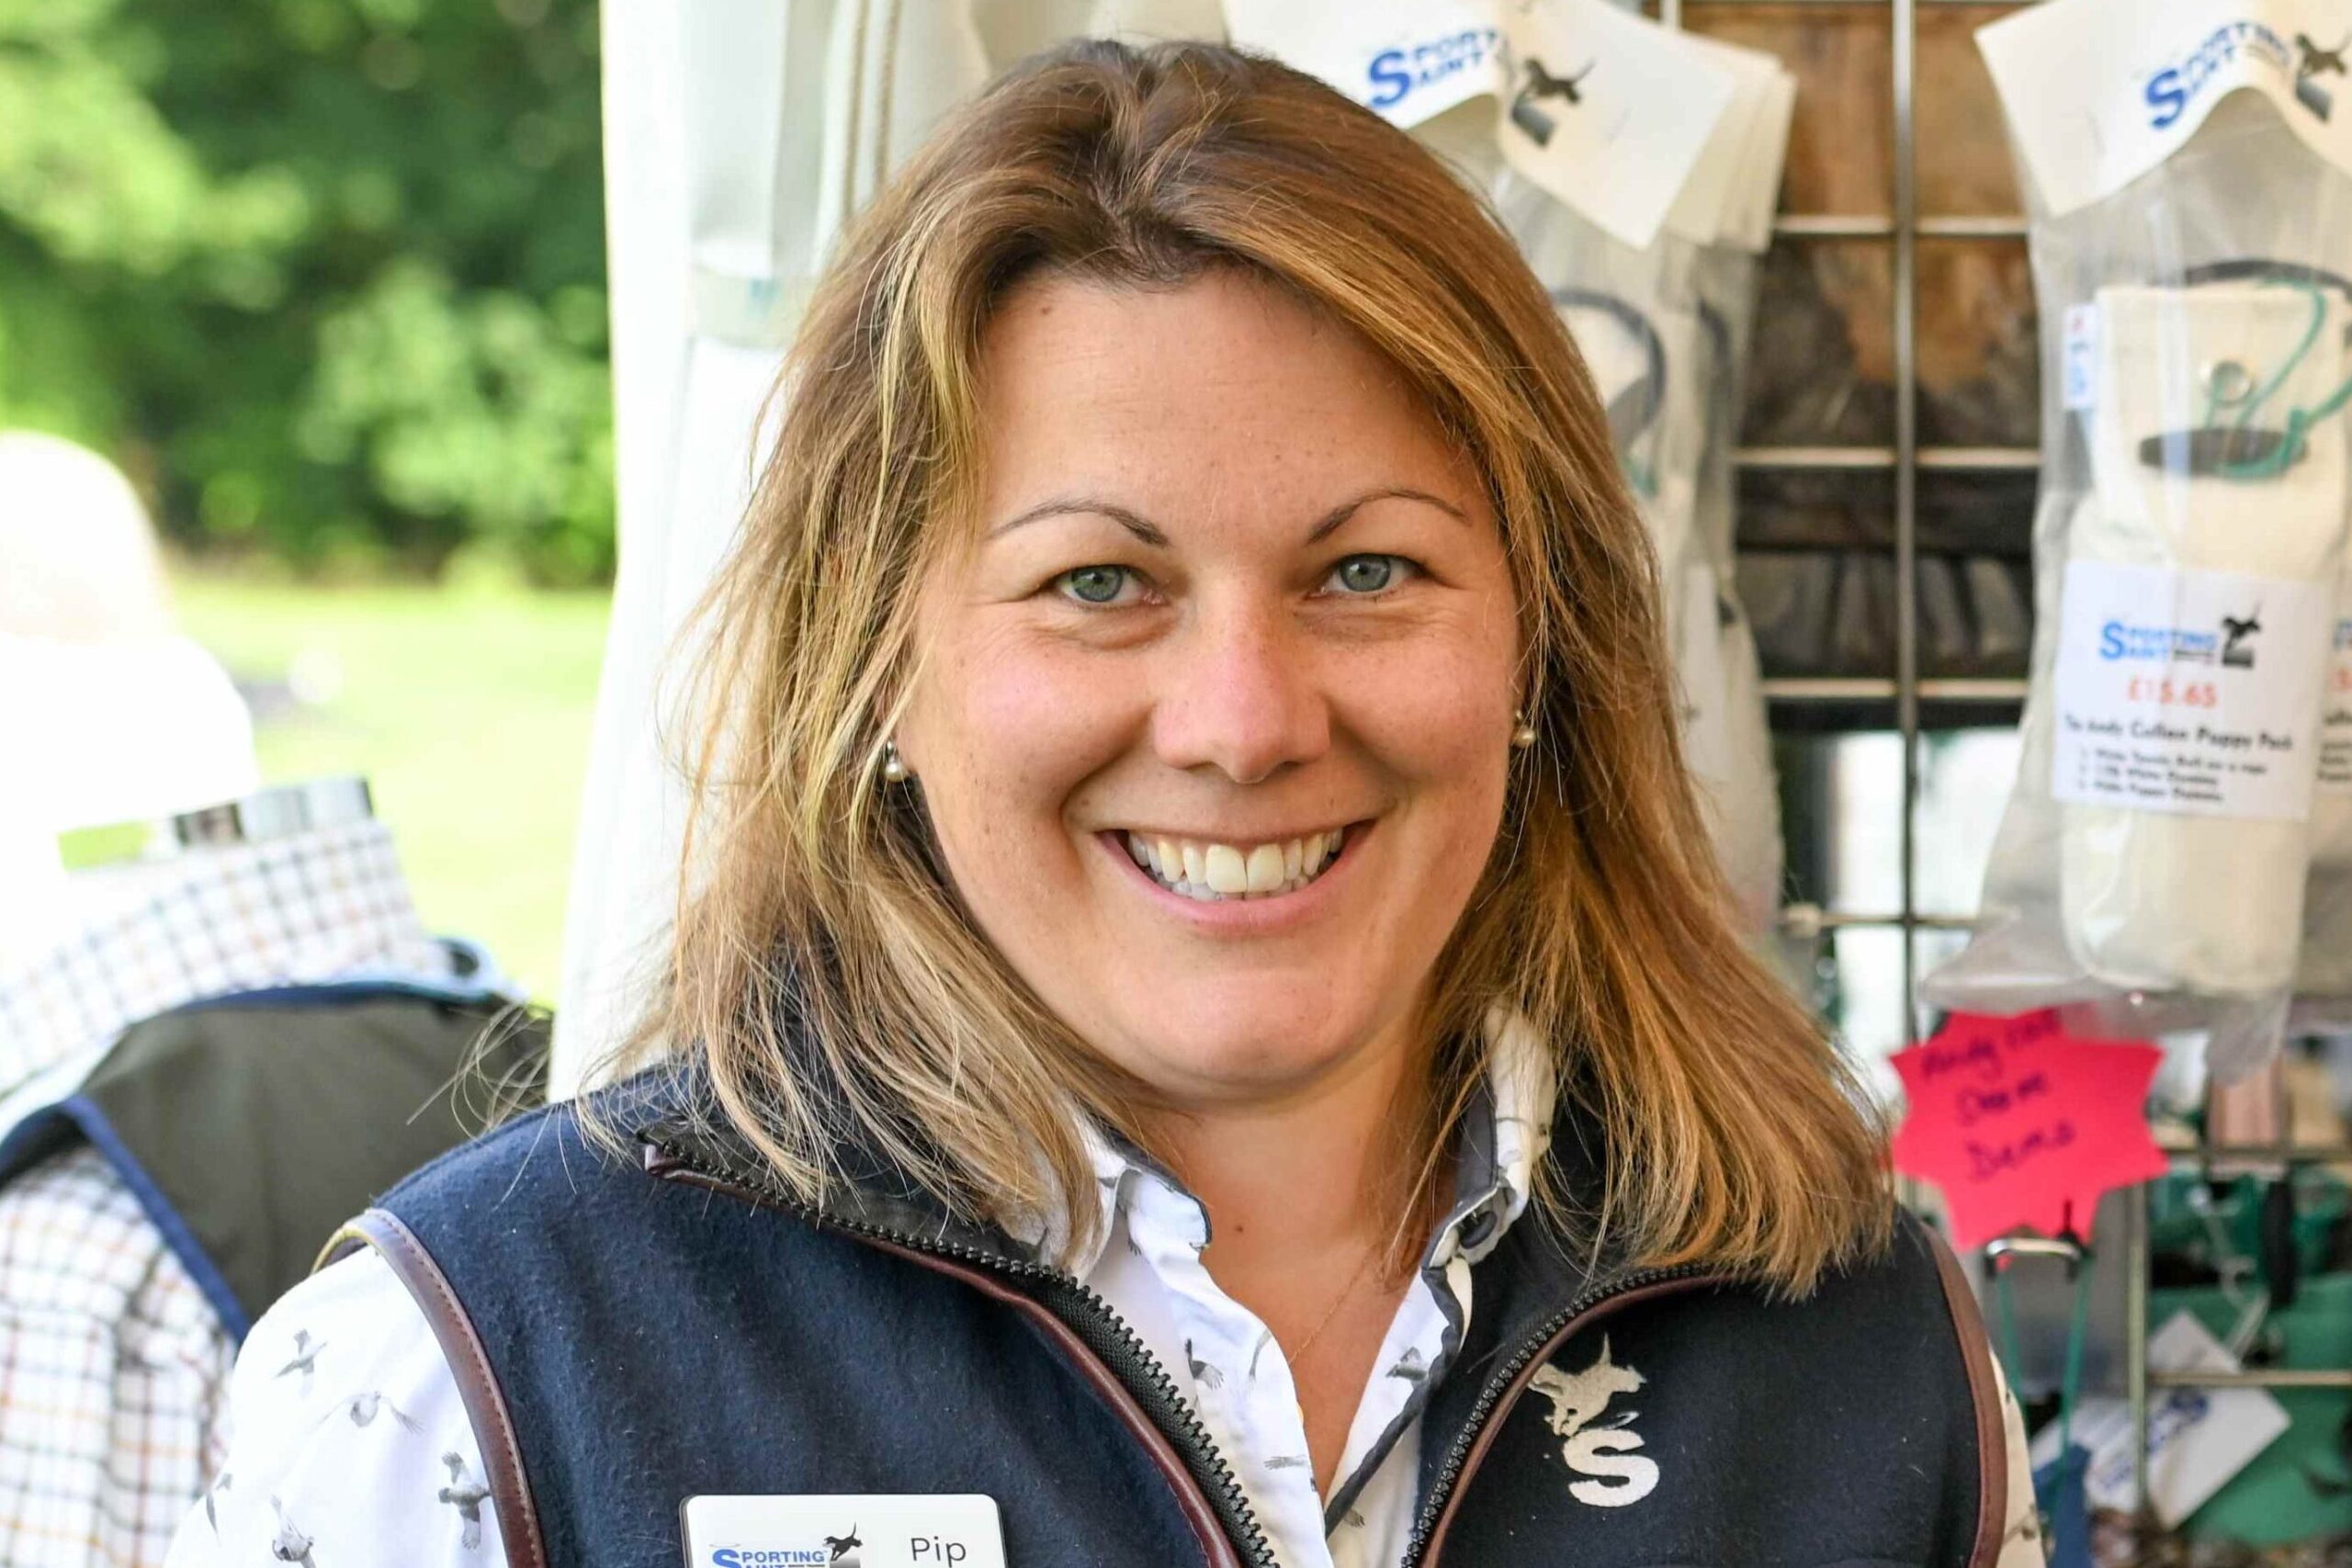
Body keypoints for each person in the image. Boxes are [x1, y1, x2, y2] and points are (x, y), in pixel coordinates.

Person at [170, 39, 2041, 1568]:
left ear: (1539, 643)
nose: (1242, 722)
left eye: (1367, 571)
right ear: (876, 664)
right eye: (1095, 582)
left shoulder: (1858, 1339)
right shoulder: (478, 1372)